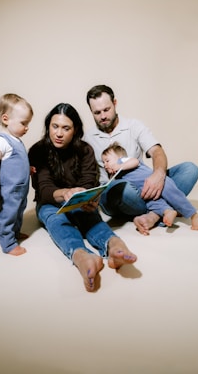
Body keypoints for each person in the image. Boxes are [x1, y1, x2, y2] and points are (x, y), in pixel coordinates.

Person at [28, 103, 137, 292]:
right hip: (49, 203)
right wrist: (64, 193)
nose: (59, 133)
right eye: (55, 127)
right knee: (57, 221)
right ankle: (82, 257)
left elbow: (89, 182)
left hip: (78, 200)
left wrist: (89, 198)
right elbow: (43, 187)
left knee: (90, 216)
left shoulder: (85, 149)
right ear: (48, 127)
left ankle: (114, 246)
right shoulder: (38, 150)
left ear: (75, 130)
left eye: (66, 128)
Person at [84, 84, 198, 235]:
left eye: (106, 109)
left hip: (145, 185)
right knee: (123, 189)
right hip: (118, 194)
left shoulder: (134, 125)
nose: (103, 116)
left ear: (115, 103)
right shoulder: (87, 138)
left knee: (190, 169)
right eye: (97, 113)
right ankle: (164, 208)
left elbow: (157, 151)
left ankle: (154, 215)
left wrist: (158, 175)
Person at [101, 142, 198, 234]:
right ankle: (168, 211)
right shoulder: (116, 175)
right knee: (154, 203)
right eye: (103, 162)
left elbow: (135, 161)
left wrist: (120, 166)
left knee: (174, 196)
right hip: (145, 192)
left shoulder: (122, 161)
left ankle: (193, 214)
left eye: (107, 160)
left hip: (159, 182)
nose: (105, 165)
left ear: (119, 156)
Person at [0, 93, 34, 256]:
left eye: (28, 123)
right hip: (7, 193)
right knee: (7, 216)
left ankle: (14, 233)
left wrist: (29, 169)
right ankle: (8, 244)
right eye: (23, 123)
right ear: (6, 119)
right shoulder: (1, 141)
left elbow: (17, 163)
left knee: (18, 213)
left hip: (19, 192)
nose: (26, 127)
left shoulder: (17, 141)